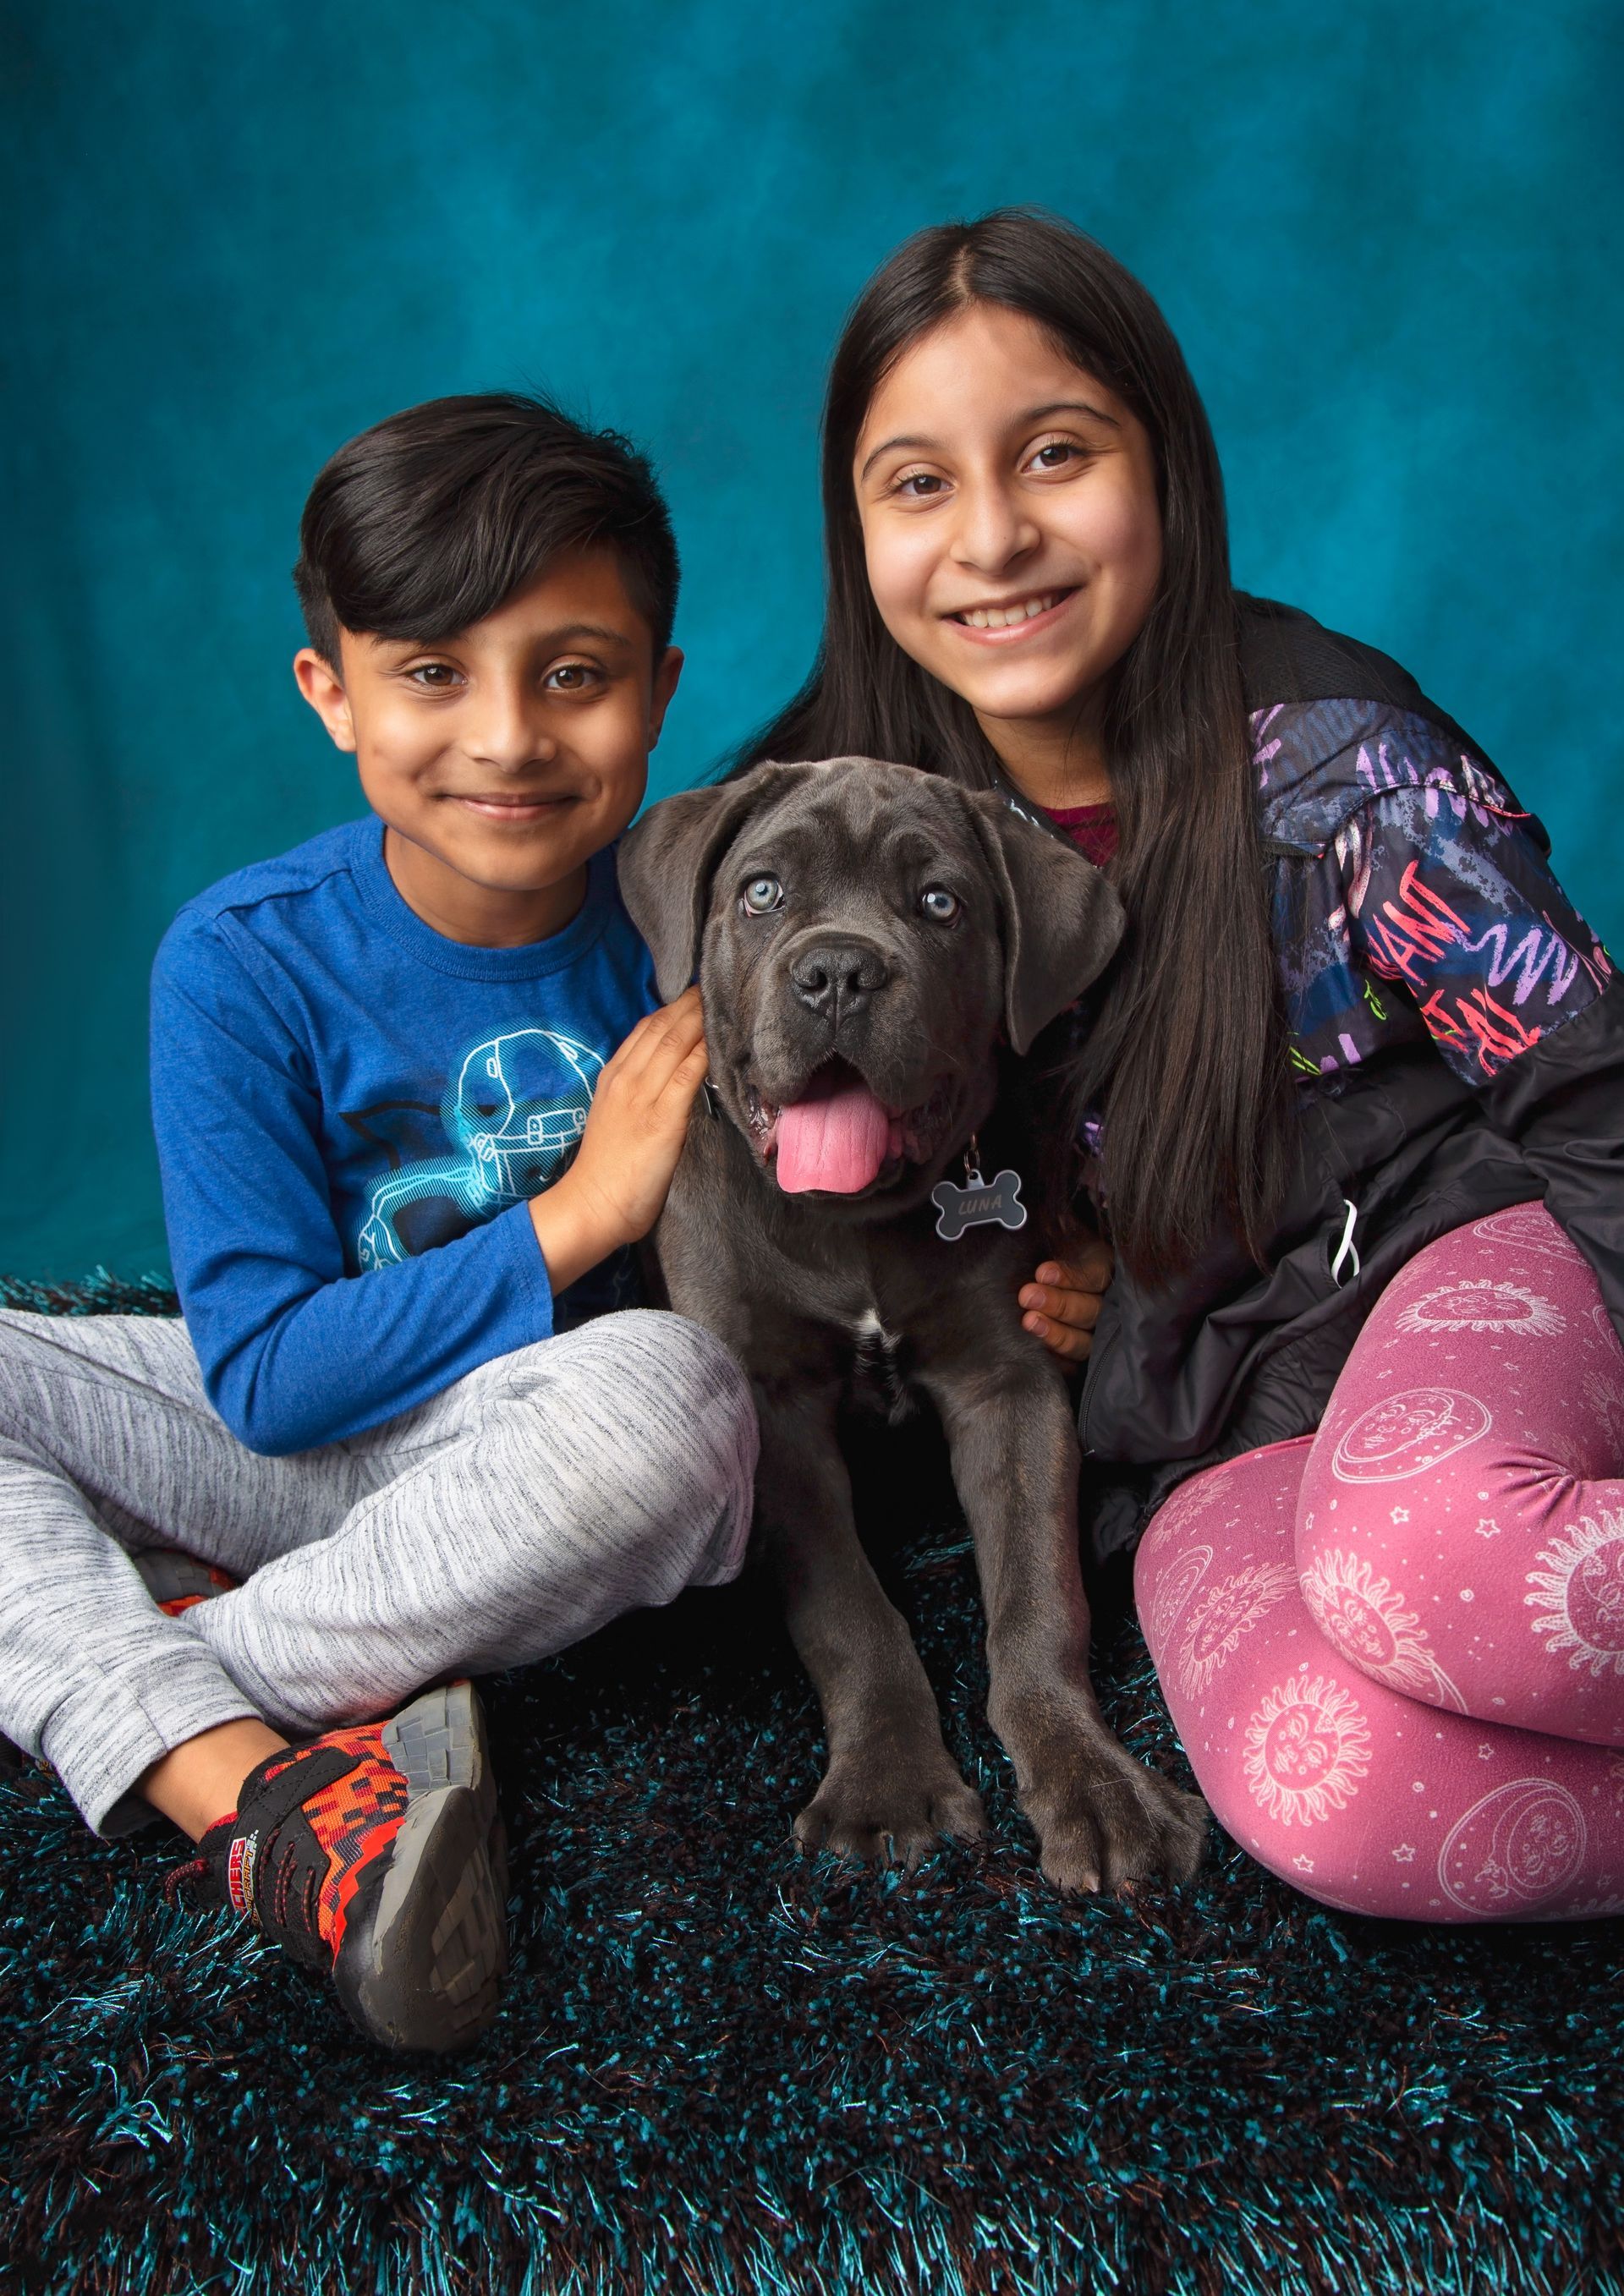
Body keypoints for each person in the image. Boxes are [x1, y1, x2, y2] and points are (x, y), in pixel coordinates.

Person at [738, 209, 1624, 1921]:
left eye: (1055, 454)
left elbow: (1602, 1114)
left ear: (1167, 463)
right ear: (856, 530)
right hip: (1208, 1419)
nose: (992, 537)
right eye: (917, 484)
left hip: (1457, 1264)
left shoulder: (1346, 770)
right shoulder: (827, 813)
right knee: (1330, 1789)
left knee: (1427, 1556)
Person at [0, 393, 759, 2049]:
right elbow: (267, 1380)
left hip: (550, 1453)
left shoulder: (699, 928)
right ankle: (260, 1764)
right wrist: (576, 1214)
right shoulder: (243, 957)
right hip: (301, 1443)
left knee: (684, 1396)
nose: (508, 736)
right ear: (331, 691)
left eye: (574, 672)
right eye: (432, 673)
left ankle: (185, 1674)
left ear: (659, 689)